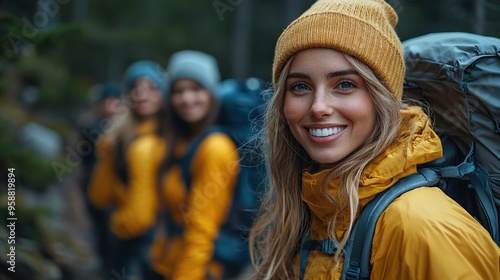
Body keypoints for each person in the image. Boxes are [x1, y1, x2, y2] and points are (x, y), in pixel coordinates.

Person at [248, 0, 500, 279]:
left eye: (345, 84)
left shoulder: (423, 228)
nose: (318, 106)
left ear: (382, 100)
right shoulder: (312, 210)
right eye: (300, 86)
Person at [150, 50, 240, 279]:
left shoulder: (215, 148)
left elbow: (202, 231)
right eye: (179, 91)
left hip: (198, 271)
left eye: (196, 89)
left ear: (211, 94)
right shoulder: (181, 143)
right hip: (167, 263)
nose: (187, 99)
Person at [87, 60, 167, 280]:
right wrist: (106, 156)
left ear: (163, 94)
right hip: (123, 234)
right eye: (136, 88)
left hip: (151, 238)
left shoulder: (166, 138)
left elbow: (144, 211)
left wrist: (120, 224)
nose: (142, 94)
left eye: (152, 88)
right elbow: (99, 196)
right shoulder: (119, 136)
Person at [77, 81, 122, 275]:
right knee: (102, 231)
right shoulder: (91, 127)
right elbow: (84, 160)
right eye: (107, 100)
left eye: (114, 100)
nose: (110, 105)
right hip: (94, 187)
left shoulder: (126, 129)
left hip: (116, 192)